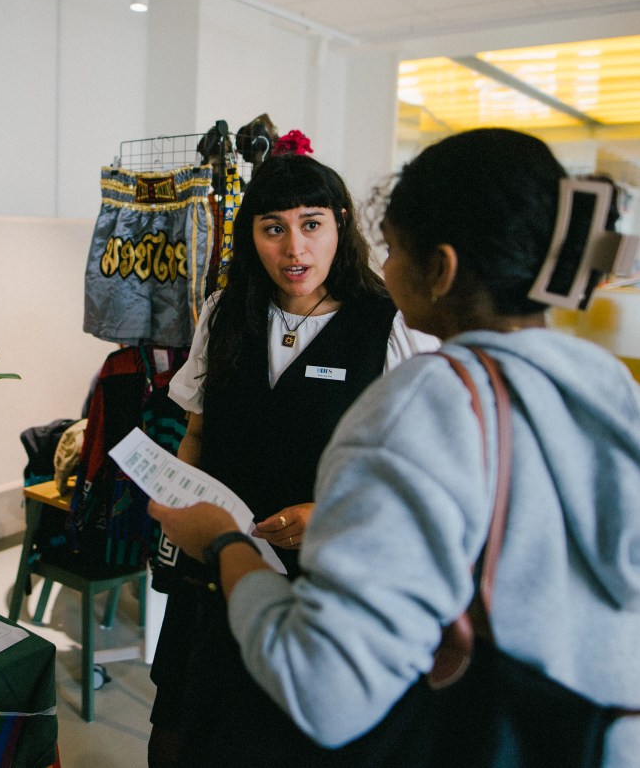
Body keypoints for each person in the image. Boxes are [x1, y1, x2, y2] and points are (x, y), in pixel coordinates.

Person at [149, 128, 640, 766]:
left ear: (440, 269)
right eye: (273, 228)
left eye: (395, 248)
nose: (383, 267)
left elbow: (323, 686)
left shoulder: (421, 402)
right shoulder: (604, 385)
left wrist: (224, 544)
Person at [148, 152, 439, 767]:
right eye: (273, 228)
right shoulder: (226, 312)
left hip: (320, 578)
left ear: (341, 226)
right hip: (213, 560)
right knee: (182, 723)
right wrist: (177, 496)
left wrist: (325, 513)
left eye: (311, 224)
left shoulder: (385, 325)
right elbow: (197, 432)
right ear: (251, 235)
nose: (293, 248)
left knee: (278, 736)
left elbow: (410, 472)